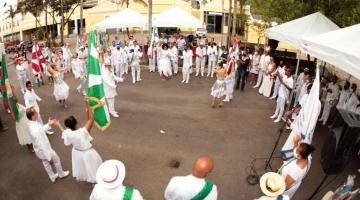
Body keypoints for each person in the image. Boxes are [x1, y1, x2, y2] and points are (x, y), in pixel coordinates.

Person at [54, 100, 103, 183]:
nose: (77, 119)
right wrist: (87, 103)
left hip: (77, 153)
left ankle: (91, 181)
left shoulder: (68, 132)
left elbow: (64, 132)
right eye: (76, 119)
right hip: (87, 153)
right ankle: (94, 182)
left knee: (84, 167)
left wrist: (58, 125)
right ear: (76, 124)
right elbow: (91, 119)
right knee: (92, 167)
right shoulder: (82, 132)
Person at [26, 107, 69, 182]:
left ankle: (52, 177)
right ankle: (61, 174)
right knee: (56, 159)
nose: (37, 113)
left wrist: (49, 124)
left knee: (45, 163)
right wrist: (49, 158)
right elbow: (41, 144)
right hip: (45, 150)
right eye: (35, 112)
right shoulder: (35, 129)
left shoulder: (31, 123)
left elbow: (41, 130)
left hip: (39, 151)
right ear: (32, 116)